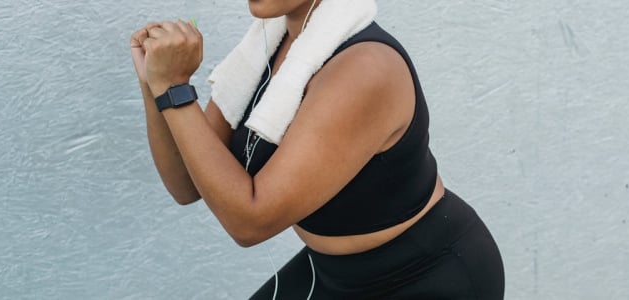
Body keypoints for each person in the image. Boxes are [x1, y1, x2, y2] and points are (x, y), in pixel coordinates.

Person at [130, 0, 504, 298]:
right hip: (335, 273)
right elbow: (186, 184)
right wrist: (156, 85)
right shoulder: (272, 47)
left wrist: (176, 90)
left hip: (424, 275)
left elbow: (249, 221)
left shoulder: (365, 68)